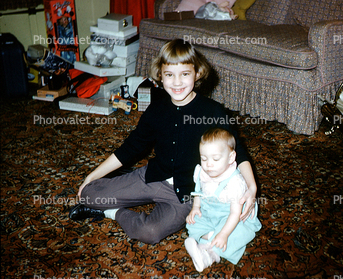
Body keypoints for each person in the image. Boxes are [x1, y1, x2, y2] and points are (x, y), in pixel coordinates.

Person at [69, 39, 258, 244]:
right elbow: (132, 147)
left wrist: (252, 187)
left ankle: (113, 212)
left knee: (149, 233)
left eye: (185, 74)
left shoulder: (213, 112)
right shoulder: (156, 110)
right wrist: (92, 175)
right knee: (88, 195)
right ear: (160, 75)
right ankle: (123, 180)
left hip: (186, 193)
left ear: (197, 73)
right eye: (169, 75)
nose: (177, 83)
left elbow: (238, 151)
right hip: (153, 176)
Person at [185, 128, 262, 272]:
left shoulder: (235, 182)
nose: (208, 164)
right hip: (210, 212)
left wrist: (224, 234)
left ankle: (210, 256)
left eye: (215, 159)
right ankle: (206, 242)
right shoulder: (203, 171)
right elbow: (198, 191)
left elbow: (234, 214)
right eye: (204, 158)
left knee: (232, 235)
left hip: (233, 216)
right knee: (193, 223)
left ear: (231, 158)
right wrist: (195, 208)